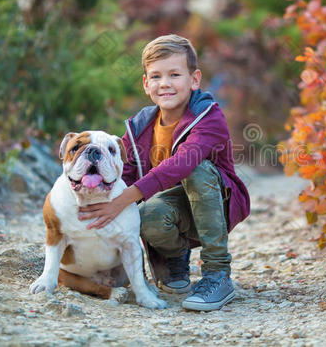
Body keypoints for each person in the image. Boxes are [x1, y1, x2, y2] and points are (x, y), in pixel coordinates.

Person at [78, 34, 250, 311]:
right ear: (146, 84)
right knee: (144, 215)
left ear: (194, 80)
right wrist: (96, 207)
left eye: (174, 74)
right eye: (156, 76)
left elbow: (183, 163)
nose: (165, 84)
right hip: (174, 209)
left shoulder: (208, 115)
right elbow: (125, 177)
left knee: (197, 169)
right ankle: (174, 260)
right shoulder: (138, 127)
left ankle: (218, 274)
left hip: (217, 203)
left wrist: (123, 200)